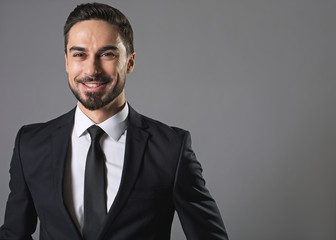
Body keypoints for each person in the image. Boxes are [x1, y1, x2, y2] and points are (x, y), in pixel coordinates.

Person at [0, 3, 228, 240]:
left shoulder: (171, 149)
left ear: (129, 62)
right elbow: (13, 234)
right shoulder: (30, 145)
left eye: (107, 54)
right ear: (67, 62)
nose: (92, 69)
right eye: (79, 54)